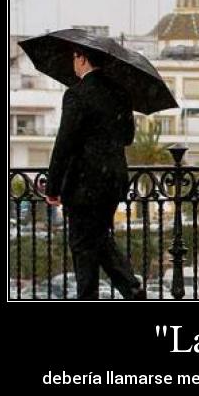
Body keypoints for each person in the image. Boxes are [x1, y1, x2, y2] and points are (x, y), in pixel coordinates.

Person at [45, 46, 146, 300]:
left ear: (83, 58)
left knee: (82, 244)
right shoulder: (120, 93)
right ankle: (132, 290)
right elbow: (127, 137)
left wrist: (53, 187)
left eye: (74, 58)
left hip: (83, 184)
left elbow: (64, 144)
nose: (73, 64)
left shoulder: (76, 95)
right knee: (98, 239)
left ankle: (97, 295)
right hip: (112, 181)